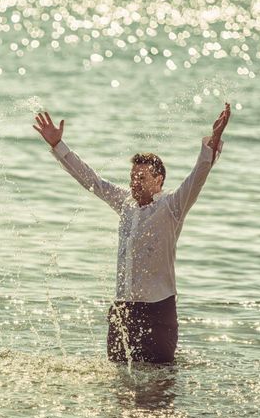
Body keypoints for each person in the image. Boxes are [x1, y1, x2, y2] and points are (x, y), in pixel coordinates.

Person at [33, 104, 231, 363]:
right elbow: (92, 181)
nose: (134, 183)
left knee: (160, 389)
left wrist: (213, 141)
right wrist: (59, 146)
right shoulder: (125, 202)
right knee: (120, 385)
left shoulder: (172, 206)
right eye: (132, 177)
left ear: (159, 181)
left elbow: (199, 175)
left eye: (142, 178)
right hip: (123, 310)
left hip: (158, 312)